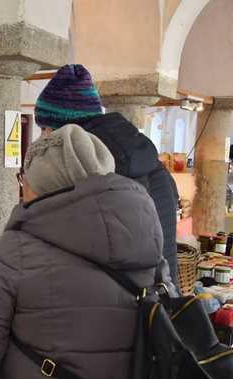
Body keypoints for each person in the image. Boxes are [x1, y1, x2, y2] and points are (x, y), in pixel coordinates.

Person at [0, 124, 166, 379]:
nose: (22, 188)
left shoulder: (16, 251)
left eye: (24, 179)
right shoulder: (147, 243)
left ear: (44, 184)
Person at [34, 64, 179, 283]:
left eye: (46, 130)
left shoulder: (88, 174)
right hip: (156, 298)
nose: (44, 137)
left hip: (114, 304)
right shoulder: (152, 164)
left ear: (66, 131)